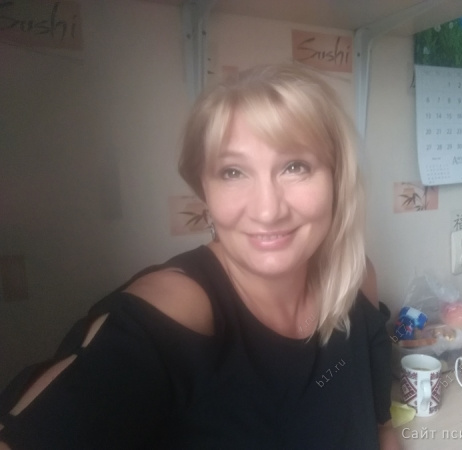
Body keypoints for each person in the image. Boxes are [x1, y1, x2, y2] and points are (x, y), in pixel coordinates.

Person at [0, 63, 400, 449]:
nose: (267, 210)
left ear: (337, 179)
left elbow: (380, 422)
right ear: (205, 191)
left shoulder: (356, 279)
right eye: (232, 172)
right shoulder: (178, 308)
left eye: (295, 166)